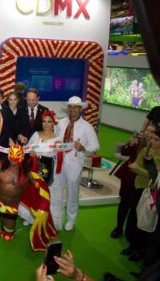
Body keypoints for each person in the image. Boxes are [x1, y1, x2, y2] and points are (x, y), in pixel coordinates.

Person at [53, 96, 99, 231]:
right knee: (57, 189)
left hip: (74, 163)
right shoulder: (61, 123)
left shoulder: (87, 127)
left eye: (76, 108)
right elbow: (56, 139)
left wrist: (83, 148)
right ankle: (57, 216)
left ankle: (71, 219)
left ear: (80, 109)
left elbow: (95, 146)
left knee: (72, 192)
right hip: (59, 161)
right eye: (70, 107)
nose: (72, 110)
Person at [126, 126, 160, 262]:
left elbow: (155, 177)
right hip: (138, 187)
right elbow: (135, 166)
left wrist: (139, 169)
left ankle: (141, 250)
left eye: (156, 139)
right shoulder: (146, 150)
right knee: (133, 218)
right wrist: (140, 169)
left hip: (151, 192)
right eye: (152, 138)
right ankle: (133, 245)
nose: (152, 141)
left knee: (145, 221)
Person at [111, 132, 142, 239]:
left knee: (135, 207)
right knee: (124, 203)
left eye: (151, 132)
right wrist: (131, 144)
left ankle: (130, 232)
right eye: (147, 130)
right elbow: (124, 152)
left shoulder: (152, 147)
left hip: (141, 180)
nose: (147, 133)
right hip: (128, 176)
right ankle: (119, 227)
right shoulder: (138, 141)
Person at [28, 110, 61, 186]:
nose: (46, 124)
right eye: (44, 121)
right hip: (33, 165)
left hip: (48, 166)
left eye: (49, 121)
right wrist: (31, 152)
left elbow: (58, 156)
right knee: (32, 187)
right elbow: (28, 148)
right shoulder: (36, 134)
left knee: (44, 187)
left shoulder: (57, 138)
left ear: (53, 123)